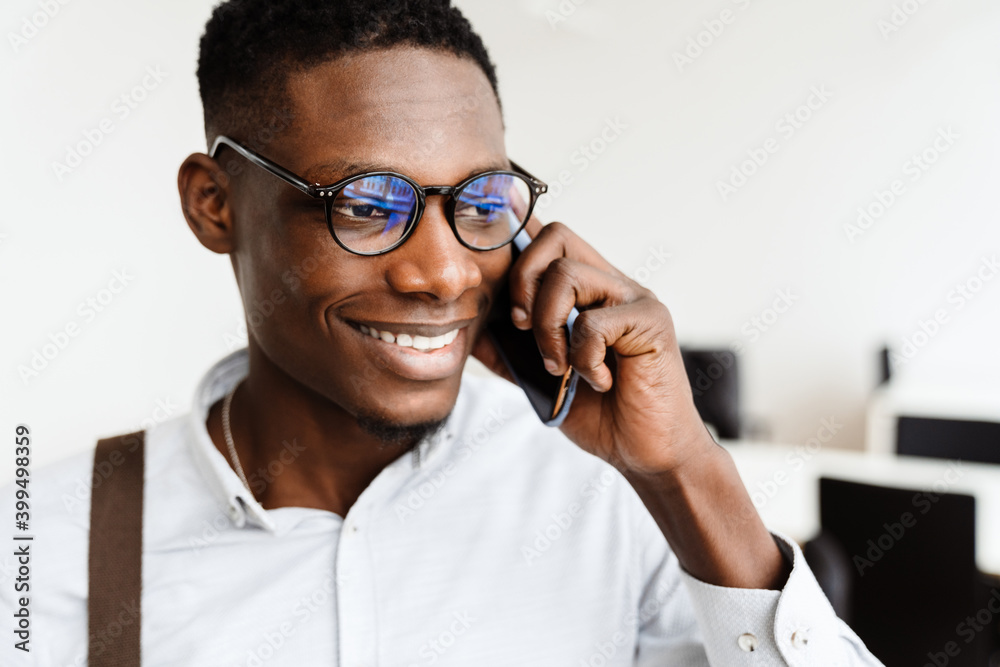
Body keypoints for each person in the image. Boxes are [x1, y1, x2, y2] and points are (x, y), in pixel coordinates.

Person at [1, 1, 884, 664]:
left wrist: (687, 469)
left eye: (481, 202)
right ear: (215, 203)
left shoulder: (612, 498)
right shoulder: (49, 534)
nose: (446, 271)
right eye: (366, 203)